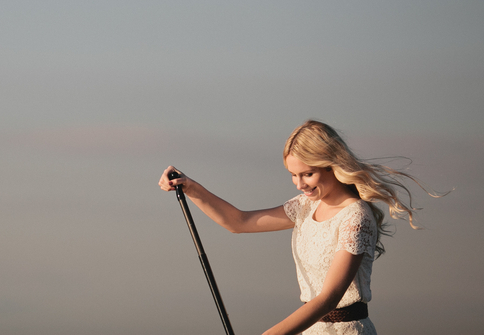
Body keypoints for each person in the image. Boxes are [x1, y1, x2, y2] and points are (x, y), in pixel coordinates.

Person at [159, 119, 438, 335]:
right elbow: (238, 222)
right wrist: (190, 187)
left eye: (308, 174)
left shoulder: (356, 216)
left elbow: (330, 298)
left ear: (332, 165)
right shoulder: (305, 206)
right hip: (309, 330)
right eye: (293, 174)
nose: (299, 184)